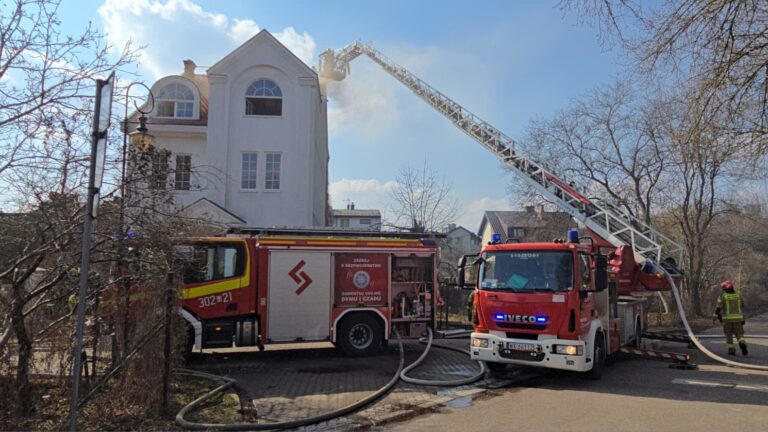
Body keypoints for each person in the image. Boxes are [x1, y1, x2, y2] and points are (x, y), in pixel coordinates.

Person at [713, 280, 748, 356]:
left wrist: (717, 316)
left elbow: (718, 308)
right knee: (739, 334)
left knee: (728, 335)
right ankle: (742, 343)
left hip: (727, 320)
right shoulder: (738, 295)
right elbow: (743, 306)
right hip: (738, 319)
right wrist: (743, 318)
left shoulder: (722, 296)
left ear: (724, 288)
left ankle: (731, 350)